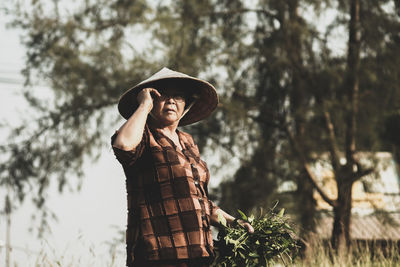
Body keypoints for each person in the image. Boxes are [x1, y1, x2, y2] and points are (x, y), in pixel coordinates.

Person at [111, 67, 254, 267]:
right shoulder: (144, 137)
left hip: (199, 252)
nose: (171, 100)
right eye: (162, 95)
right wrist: (143, 104)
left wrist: (234, 223)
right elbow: (123, 145)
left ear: (186, 104)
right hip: (158, 255)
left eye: (178, 96)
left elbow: (200, 202)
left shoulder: (187, 142)